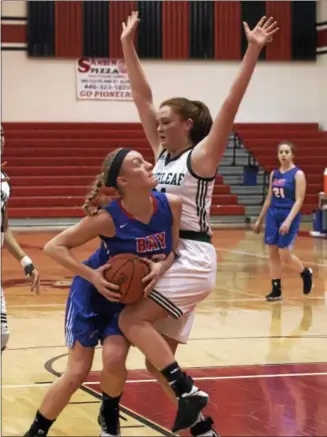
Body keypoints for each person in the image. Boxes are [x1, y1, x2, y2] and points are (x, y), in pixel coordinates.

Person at [95, 11, 280, 437]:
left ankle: (189, 389)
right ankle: (202, 430)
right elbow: (142, 97)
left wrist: (252, 50)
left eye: (166, 121)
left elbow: (230, 106)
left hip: (193, 256)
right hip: (172, 256)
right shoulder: (159, 158)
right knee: (153, 358)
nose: (157, 125)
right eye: (157, 122)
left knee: (129, 322)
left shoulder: (201, 158)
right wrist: (127, 45)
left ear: (188, 125)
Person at [25, 147, 196, 437]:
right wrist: (92, 275)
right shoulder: (109, 217)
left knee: (114, 359)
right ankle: (37, 431)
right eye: (138, 163)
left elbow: (173, 250)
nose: (149, 164)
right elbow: (54, 246)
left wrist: (160, 268)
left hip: (122, 300)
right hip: (91, 295)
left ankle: (109, 414)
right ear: (124, 182)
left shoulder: (172, 205)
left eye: (145, 160)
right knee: (77, 372)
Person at [253, 141, 313, 301]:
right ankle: (276, 289)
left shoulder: (298, 174)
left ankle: (304, 272)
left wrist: (288, 221)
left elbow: (299, 201)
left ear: (292, 155)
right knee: (272, 252)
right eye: (281, 152)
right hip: (273, 214)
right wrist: (260, 219)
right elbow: (269, 198)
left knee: (284, 254)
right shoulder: (274, 174)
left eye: (287, 152)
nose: (283, 155)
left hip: (289, 214)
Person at [1, 125, 40, 352]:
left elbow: (4, 229)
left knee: (2, 336)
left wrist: (26, 262)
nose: (0, 139)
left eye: (1, 134)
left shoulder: (4, 180)